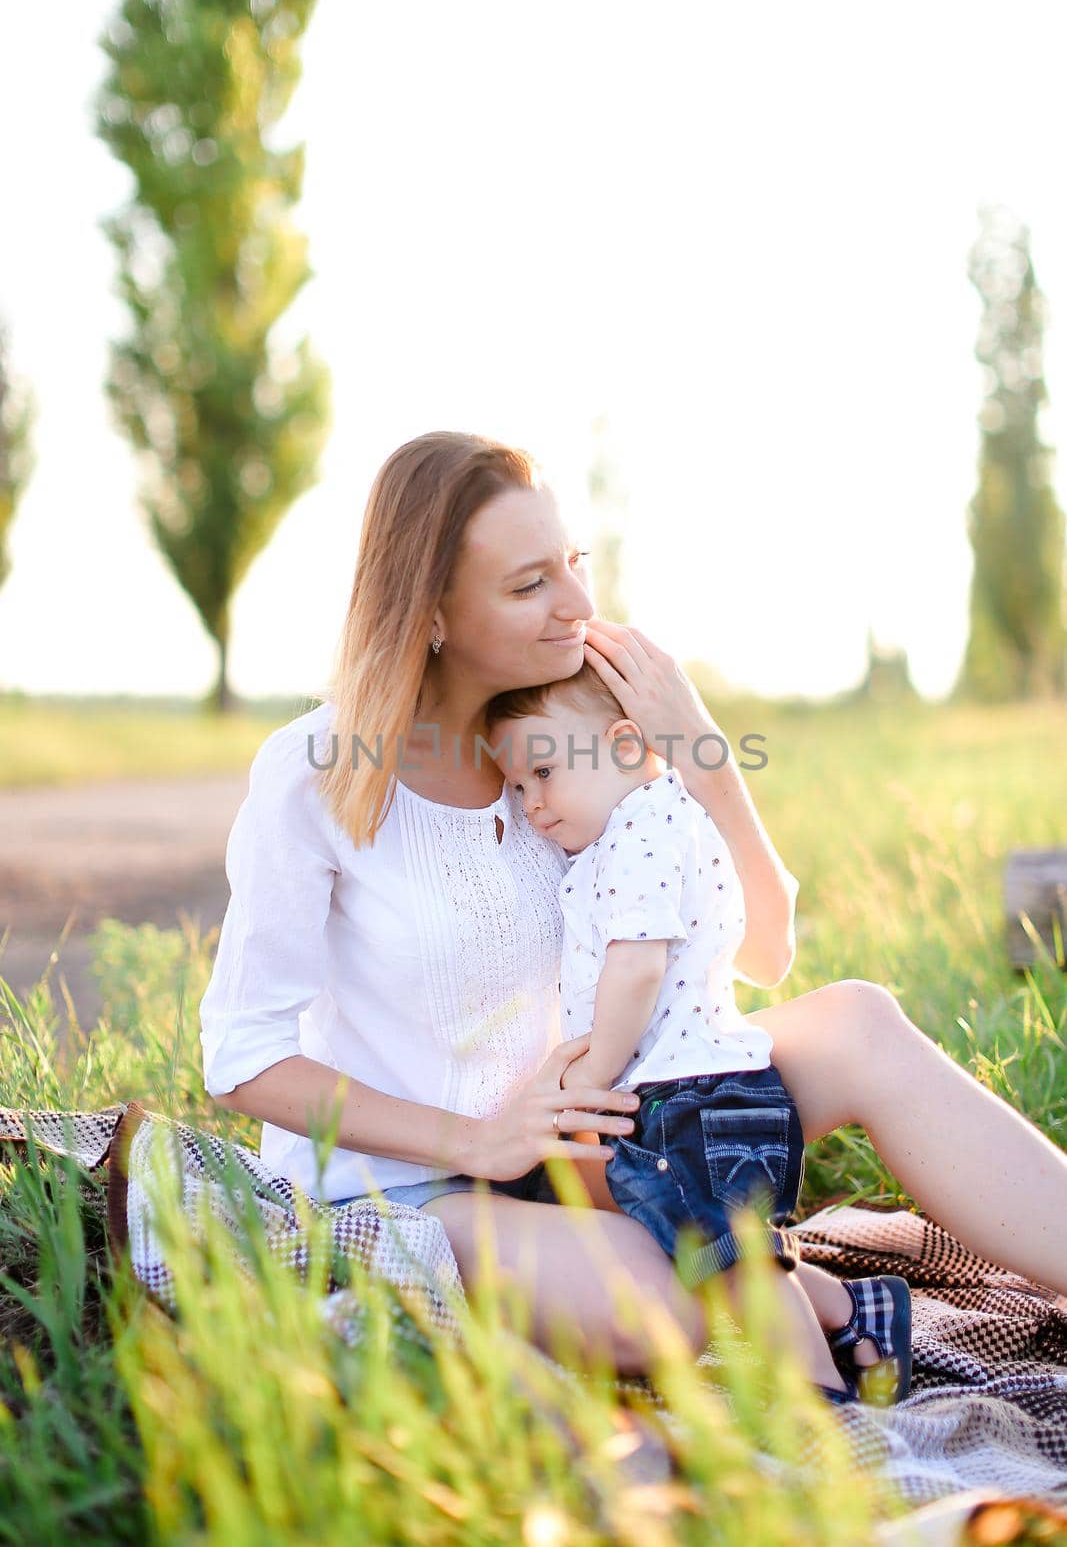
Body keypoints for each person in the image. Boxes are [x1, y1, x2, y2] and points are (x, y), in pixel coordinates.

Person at [200, 430, 1067, 1389]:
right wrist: (477, 1140)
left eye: (572, 564)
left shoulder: (565, 736)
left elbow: (769, 955)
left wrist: (699, 752)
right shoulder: (315, 772)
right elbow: (244, 1057)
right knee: (649, 1304)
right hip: (413, 1180)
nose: (578, 604)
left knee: (856, 1018)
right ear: (432, 610)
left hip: (594, 1127)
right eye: (528, 585)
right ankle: (808, 1297)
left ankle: (831, 1280)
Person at [483, 662, 912, 1403]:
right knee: (697, 1239)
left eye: (545, 772)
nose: (532, 804)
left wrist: (590, 1078)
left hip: (697, 1095)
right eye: (518, 788)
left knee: (735, 1255)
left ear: (624, 746)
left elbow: (637, 968)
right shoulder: (620, 831)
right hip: (679, 1090)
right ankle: (857, 1313)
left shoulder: (644, 828)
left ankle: (817, 1401)